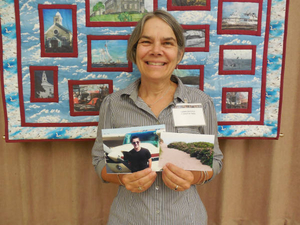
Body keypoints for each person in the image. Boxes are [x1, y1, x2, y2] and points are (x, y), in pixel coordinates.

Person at [92, 9, 223, 225]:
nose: (156, 50)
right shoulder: (113, 104)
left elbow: (215, 160)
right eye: (146, 42)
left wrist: (194, 177)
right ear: (134, 51)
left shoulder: (201, 102)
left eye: (167, 43)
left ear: (179, 54)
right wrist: (122, 178)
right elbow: (99, 161)